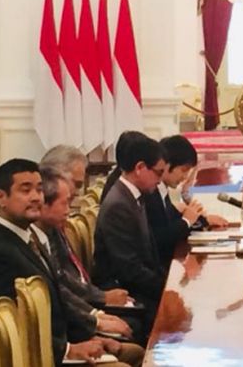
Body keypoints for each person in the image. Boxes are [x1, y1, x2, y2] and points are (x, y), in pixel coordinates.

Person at [0, 159, 119, 366]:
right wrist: (69, 349)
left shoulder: (27, 237)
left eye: (39, 190)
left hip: (61, 342)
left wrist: (90, 335)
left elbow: (56, 303)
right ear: (1, 197)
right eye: (25, 190)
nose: (35, 197)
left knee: (133, 350)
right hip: (43, 358)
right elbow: (15, 330)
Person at [32, 166, 144, 364]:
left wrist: (95, 321)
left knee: (137, 341)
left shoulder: (52, 231)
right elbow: (60, 294)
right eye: (65, 202)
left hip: (76, 321)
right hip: (63, 340)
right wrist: (94, 323)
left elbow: (68, 284)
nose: (69, 210)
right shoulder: (28, 245)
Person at [93, 133, 166, 335]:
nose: (160, 181)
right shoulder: (119, 204)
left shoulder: (133, 196)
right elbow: (129, 269)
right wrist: (166, 288)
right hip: (123, 289)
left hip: (137, 284)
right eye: (158, 173)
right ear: (140, 168)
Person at [143, 135, 228, 268]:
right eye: (183, 170)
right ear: (166, 165)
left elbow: (175, 219)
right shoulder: (150, 192)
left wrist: (203, 220)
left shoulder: (162, 189)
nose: (185, 177)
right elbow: (159, 238)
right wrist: (187, 220)